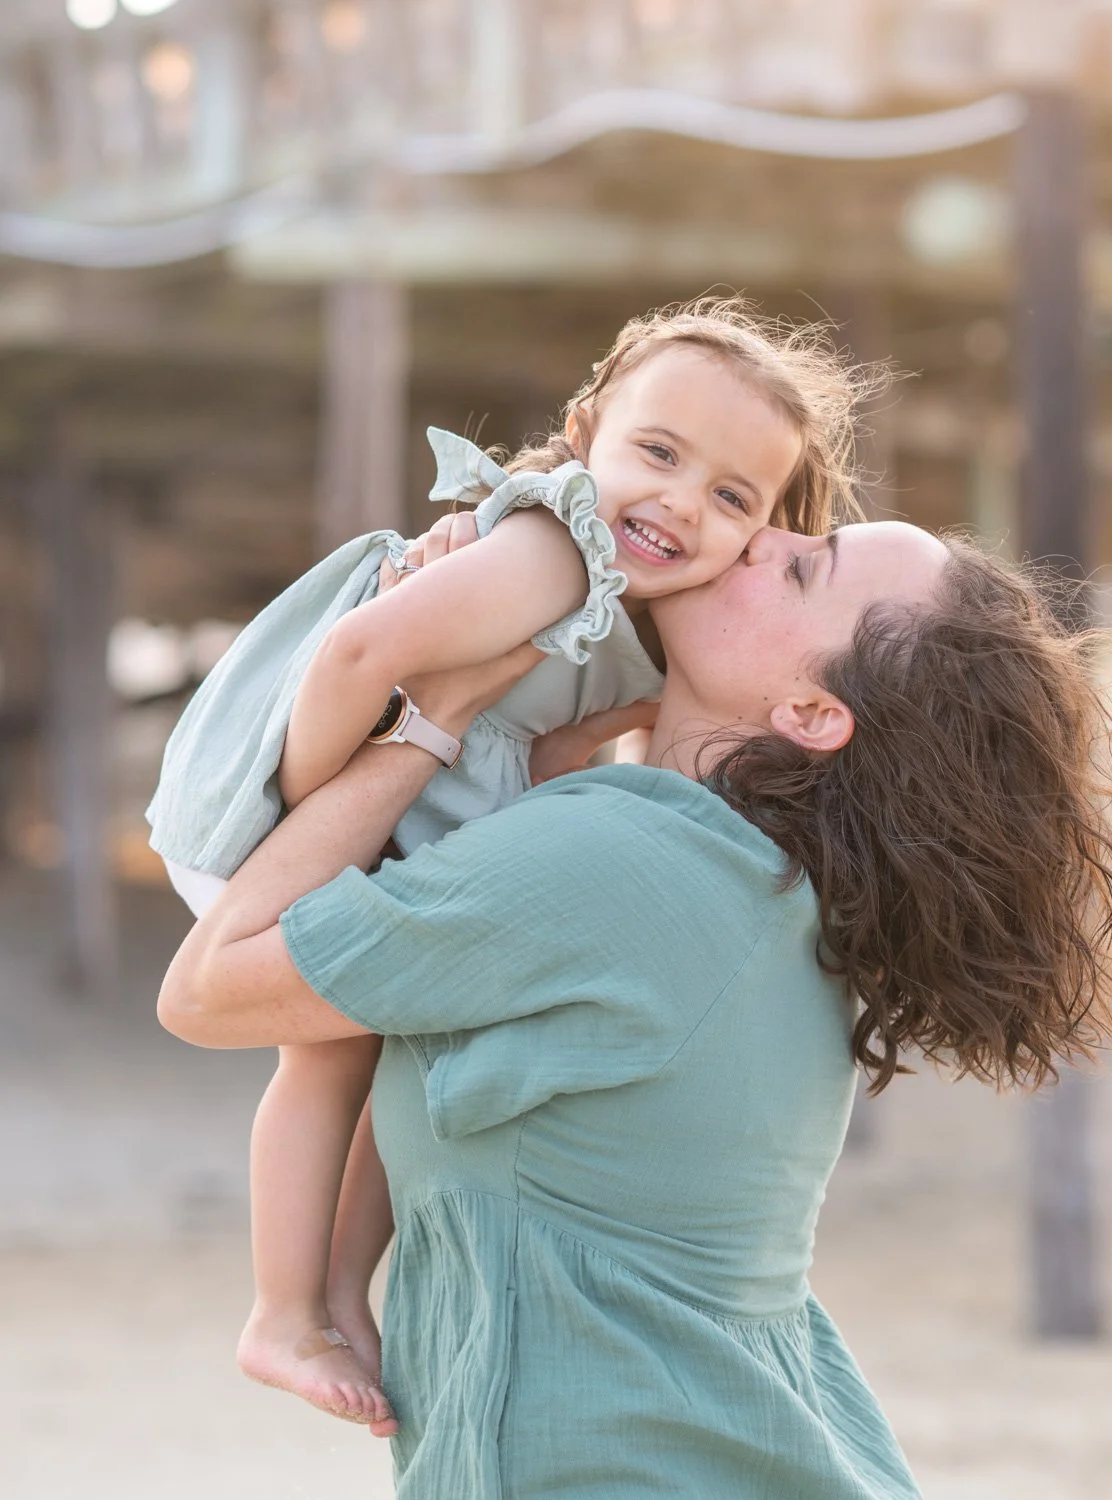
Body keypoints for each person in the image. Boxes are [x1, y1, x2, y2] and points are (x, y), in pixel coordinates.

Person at [158, 518, 1112, 1497]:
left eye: (805, 570)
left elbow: (209, 987)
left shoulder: (625, 866)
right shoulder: (746, 883)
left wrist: (432, 718)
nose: (763, 535)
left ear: (812, 714)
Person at [145, 297, 875, 1428]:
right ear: (586, 433)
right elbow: (359, 648)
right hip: (307, 778)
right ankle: (284, 1310)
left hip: (417, 788)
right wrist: (317, 815)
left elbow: (550, 739)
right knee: (326, 1065)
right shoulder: (556, 547)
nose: (682, 502)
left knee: (402, 1053)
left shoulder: (637, 601)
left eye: (731, 496)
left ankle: (334, 1292)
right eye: (659, 452)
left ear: (763, 530)